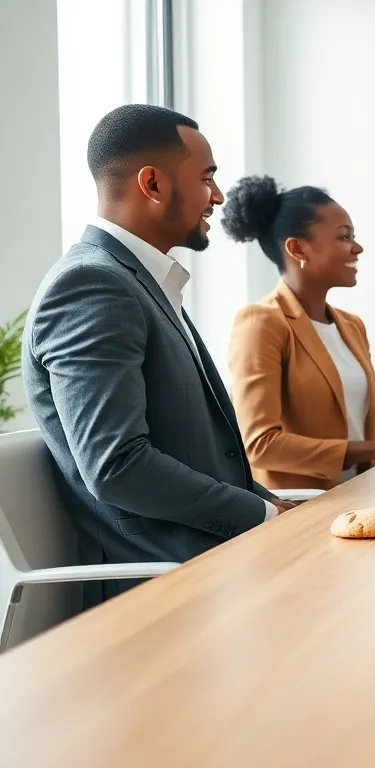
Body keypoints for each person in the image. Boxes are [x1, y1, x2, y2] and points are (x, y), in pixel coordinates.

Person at [22, 105, 292, 605]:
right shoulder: (92, 286)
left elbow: (191, 449)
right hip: (160, 589)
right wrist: (262, 517)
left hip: (210, 564)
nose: (218, 196)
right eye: (207, 177)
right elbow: (117, 465)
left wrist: (266, 503)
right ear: (152, 184)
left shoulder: (139, 283)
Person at [223, 176, 375, 491]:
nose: (357, 247)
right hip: (300, 508)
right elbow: (260, 445)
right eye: (344, 237)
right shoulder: (261, 323)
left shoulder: (352, 326)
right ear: (297, 248)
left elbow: (368, 431)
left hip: (361, 497)